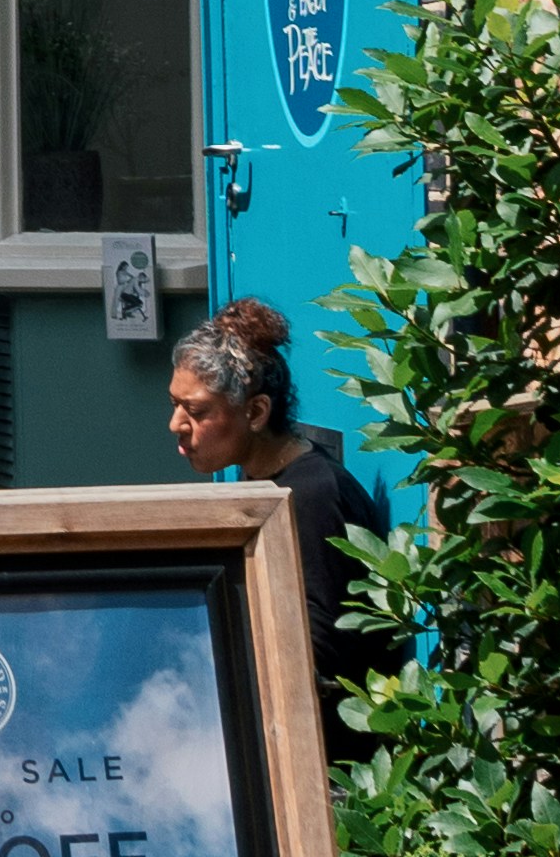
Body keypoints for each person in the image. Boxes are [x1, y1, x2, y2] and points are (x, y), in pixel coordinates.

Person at [167, 295, 393, 705]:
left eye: (196, 411)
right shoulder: (260, 479)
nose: (176, 424)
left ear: (256, 412)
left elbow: (322, 651)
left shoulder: (313, 497)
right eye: (174, 404)